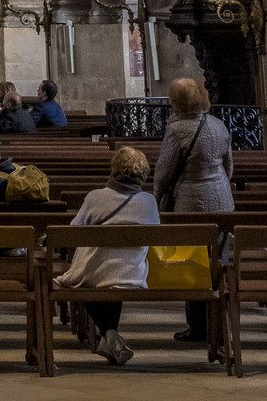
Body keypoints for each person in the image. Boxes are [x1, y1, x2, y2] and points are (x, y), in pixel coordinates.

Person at [55, 144, 159, 367]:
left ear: (114, 170)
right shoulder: (149, 201)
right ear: (143, 173)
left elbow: (74, 232)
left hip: (97, 273)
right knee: (116, 274)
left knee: (86, 280)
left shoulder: (95, 197)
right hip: (133, 272)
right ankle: (110, 337)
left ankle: (109, 334)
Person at [154, 77, 232, 347]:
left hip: (191, 199)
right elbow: (228, 166)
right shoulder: (218, 125)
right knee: (218, 260)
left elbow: (164, 172)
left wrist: (157, 196)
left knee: (194, 262)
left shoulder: (177, 130)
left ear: (176, 102)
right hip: (222, 198)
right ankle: (219, 320)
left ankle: (198, 325)